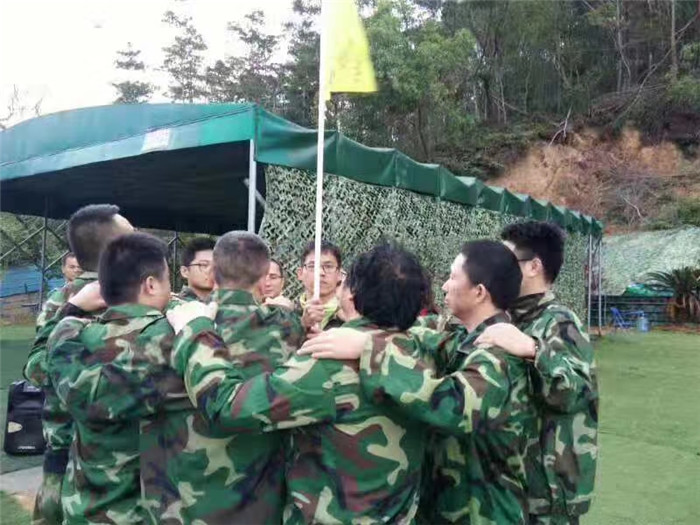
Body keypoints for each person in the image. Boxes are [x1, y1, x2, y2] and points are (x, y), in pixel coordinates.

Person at [168, 242, 433, 523]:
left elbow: (227, 407)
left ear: (351, 293)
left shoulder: (328, 365)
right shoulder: (420, 351)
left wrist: (196, 330)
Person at [301, 240, 539, 523]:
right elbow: (416, 337)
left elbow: (456, 406)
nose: (445, 286)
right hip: (448, 507)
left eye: (453, 277)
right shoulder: (465, 339)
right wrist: (357, 321)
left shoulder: (501, 353)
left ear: (479, 292)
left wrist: (371, 350)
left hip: (483, 514)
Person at [474, 221, 599, 525]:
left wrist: (532, 349)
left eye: (507, 262)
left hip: (545, 494)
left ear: (533, 267)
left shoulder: (559, 322)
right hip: (508, 485)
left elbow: (574, 392)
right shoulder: (507, 318)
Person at [24, 204, 134, 525]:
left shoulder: (61, 300)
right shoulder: (69, 301)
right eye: (133, 238)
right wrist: (71, 312)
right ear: (118, 251)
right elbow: (38, 370)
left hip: (77, 450)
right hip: (102, 451)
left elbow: (37, 371)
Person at [295, 240, 344, 329]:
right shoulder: (286, 315)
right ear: (300, 273)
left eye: (329, 266)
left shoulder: (349, 317)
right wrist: (302, 325)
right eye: (312, 266)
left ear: (339, 275)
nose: (320, 272)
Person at [178, 236, 215, 301]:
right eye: (204, 265)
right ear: (185, 271)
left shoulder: (226, 304)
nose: (211, 270)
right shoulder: (176, 304)